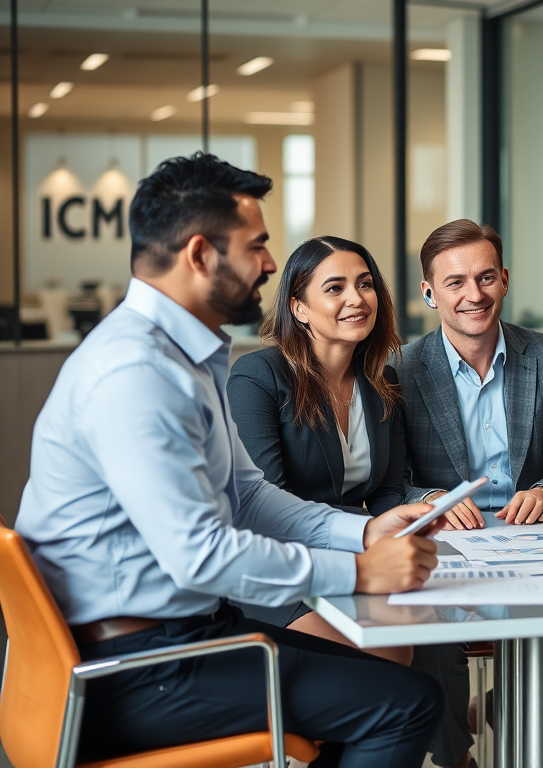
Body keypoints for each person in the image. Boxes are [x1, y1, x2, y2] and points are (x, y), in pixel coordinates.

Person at [15, 153, 444, 768]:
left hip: (181, 639)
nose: (271, 264)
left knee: (387, 679)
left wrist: (366, 531)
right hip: (138, 668)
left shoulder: (185, 355)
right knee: (406, 704)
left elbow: (247, 494)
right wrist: (361, 574)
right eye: (257, 246)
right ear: (199, 255)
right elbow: (202, 554)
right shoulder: (138, 371)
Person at [395, 218, 543, 768]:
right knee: (430, 639)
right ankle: (455, 756)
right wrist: (434, 497)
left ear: (504, 280)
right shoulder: (400, 367)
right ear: (430, 292)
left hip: (537, 540)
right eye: (455, 282)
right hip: (448, 542)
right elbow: (390, 481)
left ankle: (508, 722)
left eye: (485, 278)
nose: (473, 295)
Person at [227, 236, 411, 665]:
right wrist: (366, 536)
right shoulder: (258, 376)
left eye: (365, 284)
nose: (357, 299)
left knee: (408, 641)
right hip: (280, 572)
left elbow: (387, 490)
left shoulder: (381, 380)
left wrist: (388, 532)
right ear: (299, 308)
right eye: (335, 288)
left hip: (354, 559)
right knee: (386, 657)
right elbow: (268, 503)